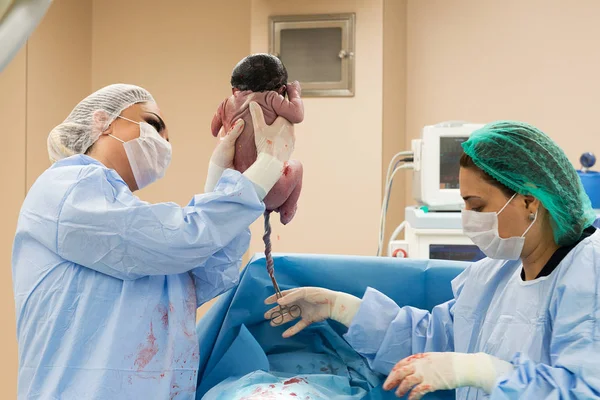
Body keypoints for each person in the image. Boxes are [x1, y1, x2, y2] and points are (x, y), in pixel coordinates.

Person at [265, 121, 600, 399]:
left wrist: (482, 371)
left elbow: (585, 391)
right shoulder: (495, 274)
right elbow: (433, 343)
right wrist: (339, 307)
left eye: (477, 206)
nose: (467, 218)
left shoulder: (588, 273)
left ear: (530, 202)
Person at [13, 83, 295, 400]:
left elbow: (206, 274)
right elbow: (178, 241)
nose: (162, 142)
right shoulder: (67, 188)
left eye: (167, 138)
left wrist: (226, 179)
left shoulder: (129, 229)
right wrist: (264, 166)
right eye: (153, 124)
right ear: (101, 122)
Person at [211, 53, 304, 224]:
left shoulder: (226, 104)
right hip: (272, 190)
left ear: (234, 89)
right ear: (282, 89)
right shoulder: (271, 97)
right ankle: (287, 210)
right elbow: (297, 115)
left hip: (233, 189)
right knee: (296, 166)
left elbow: (213, 129)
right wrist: (295, 94)